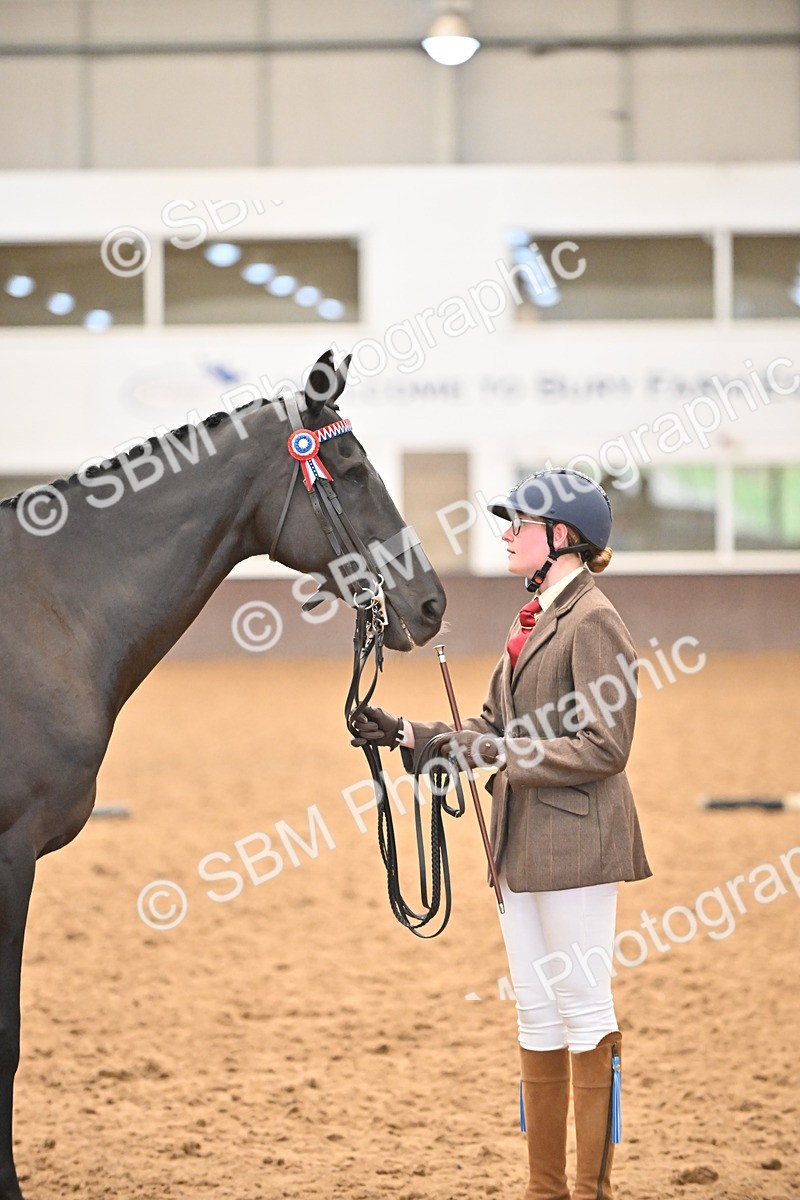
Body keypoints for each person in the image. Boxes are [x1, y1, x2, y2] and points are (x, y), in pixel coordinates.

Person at [352, 467, 652, 1200]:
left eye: (520, 524)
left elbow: (607, 747)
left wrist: (499, 754)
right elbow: (488, 728)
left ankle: (591, 1189)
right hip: (517, 842)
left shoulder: (594, 621)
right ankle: (545, 1188)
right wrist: (408, 733)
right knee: (538, 1009)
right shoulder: (528, 625)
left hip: (578, 842)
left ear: (563, 538)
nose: (509, 534)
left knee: (584, 1007)